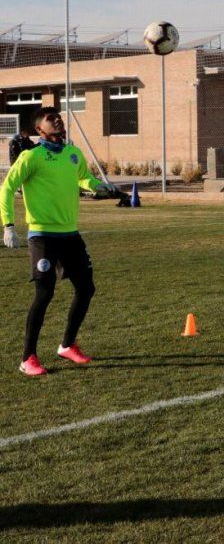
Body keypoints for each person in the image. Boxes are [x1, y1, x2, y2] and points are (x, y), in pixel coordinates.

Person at [1, 107, 115, 376]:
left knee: (86, 289)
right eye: (50, 118)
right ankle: (28, 357)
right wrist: (8, 226)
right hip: (42, 235)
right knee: (44, 293)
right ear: (39, 129)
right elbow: (6, 187)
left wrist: (97, 185)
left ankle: (67, 345)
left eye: (58, 117)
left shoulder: (73, 154)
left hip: (70, 234)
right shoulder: (31, 156)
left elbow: (83, 177)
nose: (57, 120)